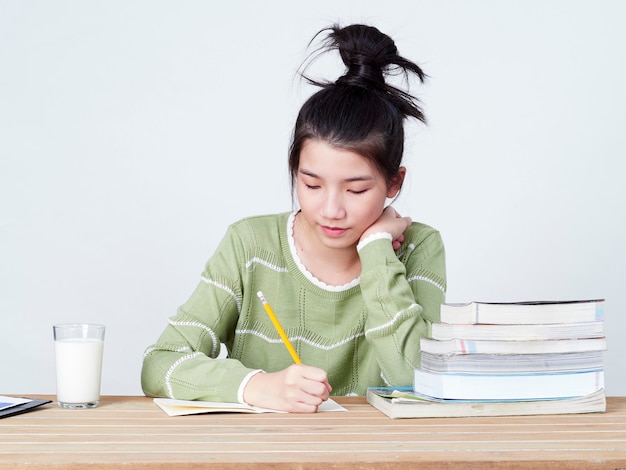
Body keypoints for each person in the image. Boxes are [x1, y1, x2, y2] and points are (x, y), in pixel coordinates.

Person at [141, 23, 446, 413]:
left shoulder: (418, 247)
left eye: (355, 190)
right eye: (312, 185)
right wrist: (256, 386)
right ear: (294, 172)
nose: (331, 210)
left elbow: (417, 378)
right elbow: (160, 363)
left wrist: (376, 249)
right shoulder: (250, 244)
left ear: (393, 183)